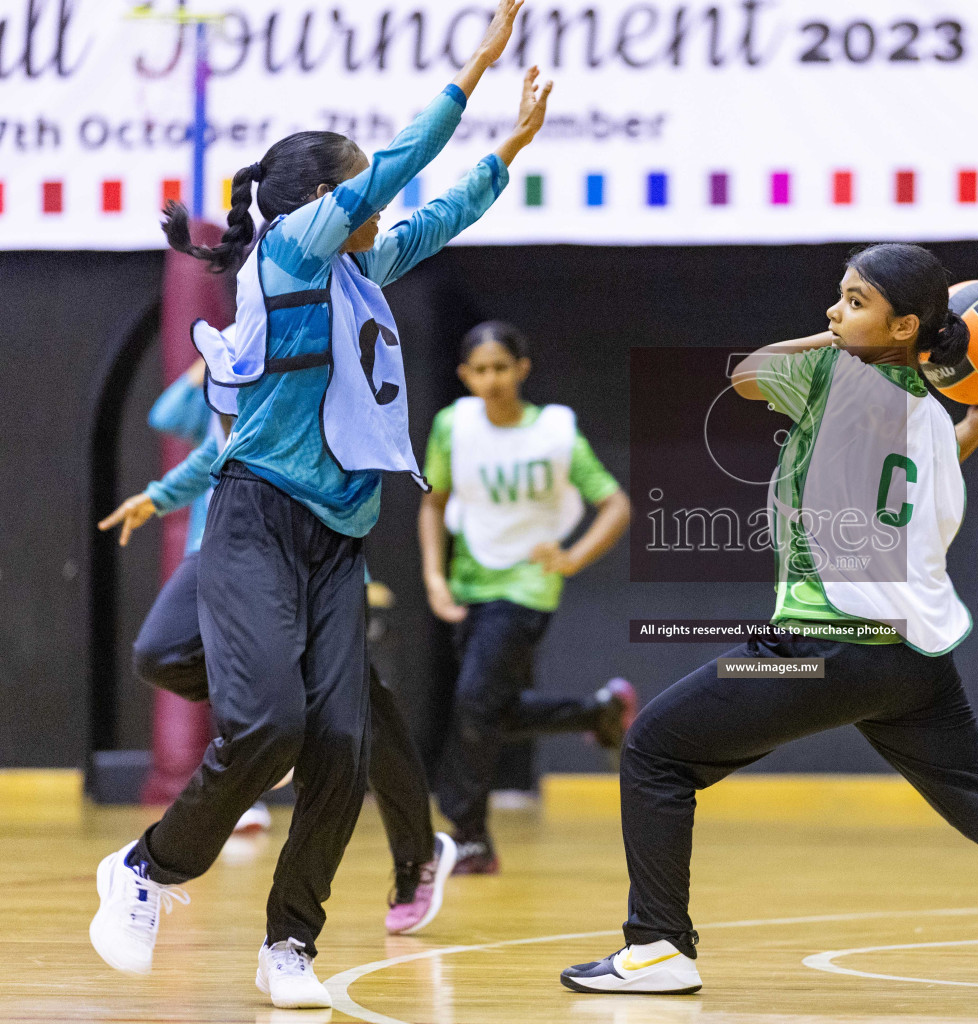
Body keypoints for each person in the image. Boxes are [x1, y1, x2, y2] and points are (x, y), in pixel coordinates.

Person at [560, 244, 978, 999]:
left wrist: (825, 341)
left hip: (822, 646)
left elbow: (741, 374)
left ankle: (659, 948)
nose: (835, 311)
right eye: (838, 297)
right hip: (909, 663)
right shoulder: (929, 414)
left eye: (855, 301)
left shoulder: (833, 376)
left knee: (655, 749)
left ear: (905, 326)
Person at [88, 0, 553, 1009]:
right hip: (258, 518)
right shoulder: (291, 255)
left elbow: (435, 216)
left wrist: (505, 153)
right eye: (359, 194)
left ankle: (288, 943)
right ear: (319, 202)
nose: (378, 207)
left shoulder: (354, 268)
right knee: (269, 725)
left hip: (338, 540)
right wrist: (473, 72)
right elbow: (394, 171)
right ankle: (144, 869)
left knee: (339, 743)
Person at [99, 366, 458, 935]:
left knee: (358, 718)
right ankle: (276, 721)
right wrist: (160, 495)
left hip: (315, 549)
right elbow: (217, 445)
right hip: (231, 545)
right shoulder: (243, 342)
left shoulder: (326, 346)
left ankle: (417, 855)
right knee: (160, 652)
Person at [420, 320, 636, 874]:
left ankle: (467, 836)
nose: (492, 380)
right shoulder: (453, 425)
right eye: (480, 370)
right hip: (470, 583)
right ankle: (599, 711)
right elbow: (433, 503)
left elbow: (614, 503)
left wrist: (574, 556)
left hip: (527, 587)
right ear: (465, 375)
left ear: (522, 369)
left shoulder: (555, 433)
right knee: (489, 708)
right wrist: (436, 579)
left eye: (501, 368)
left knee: (473, 702)